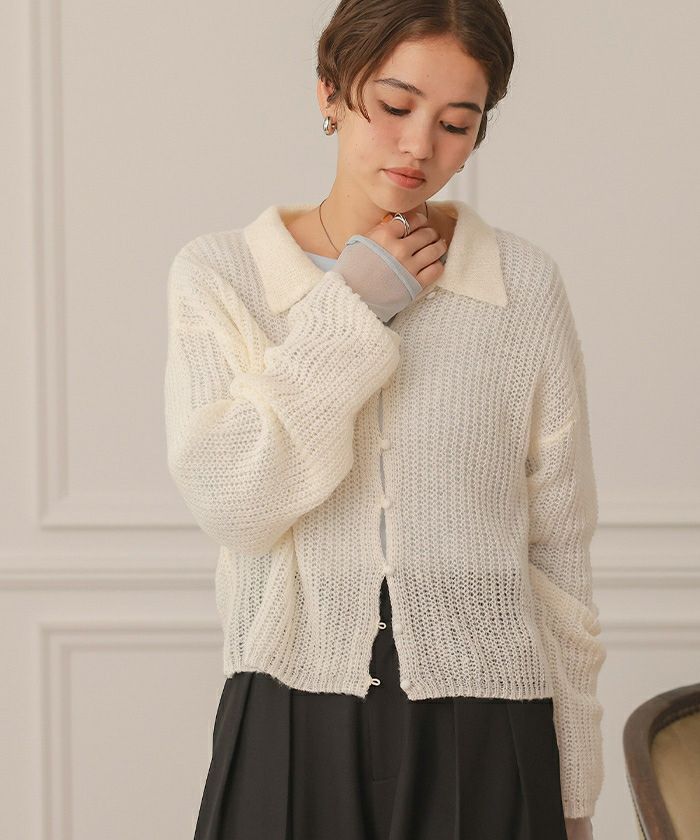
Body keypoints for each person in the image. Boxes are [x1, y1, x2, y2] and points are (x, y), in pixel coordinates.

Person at [164, 2, 605, 838]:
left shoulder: (519, 287)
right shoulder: (226, 276)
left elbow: (558, 555)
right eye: (395, 106)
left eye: (456, 123)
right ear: (330, 92)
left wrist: (574, 791)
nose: (418, 147)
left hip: (487, 717)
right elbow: (234, 504)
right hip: (287, 706)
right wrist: (351, 312)